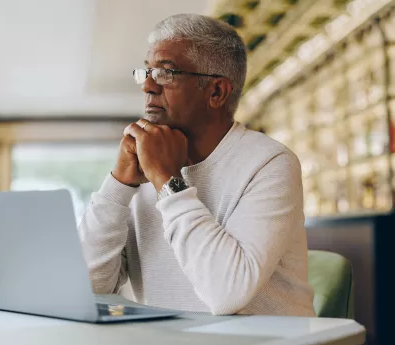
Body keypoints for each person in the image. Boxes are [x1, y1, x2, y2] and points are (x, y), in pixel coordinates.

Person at [79, 13, 315, 316]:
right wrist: (118, 185)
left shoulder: (270, 163)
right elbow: (88, 288)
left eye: (165, 73)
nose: (147, 87)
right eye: (146, 72)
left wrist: (167, 182)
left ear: (216, 92)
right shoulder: (142, 165)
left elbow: (226, 294)